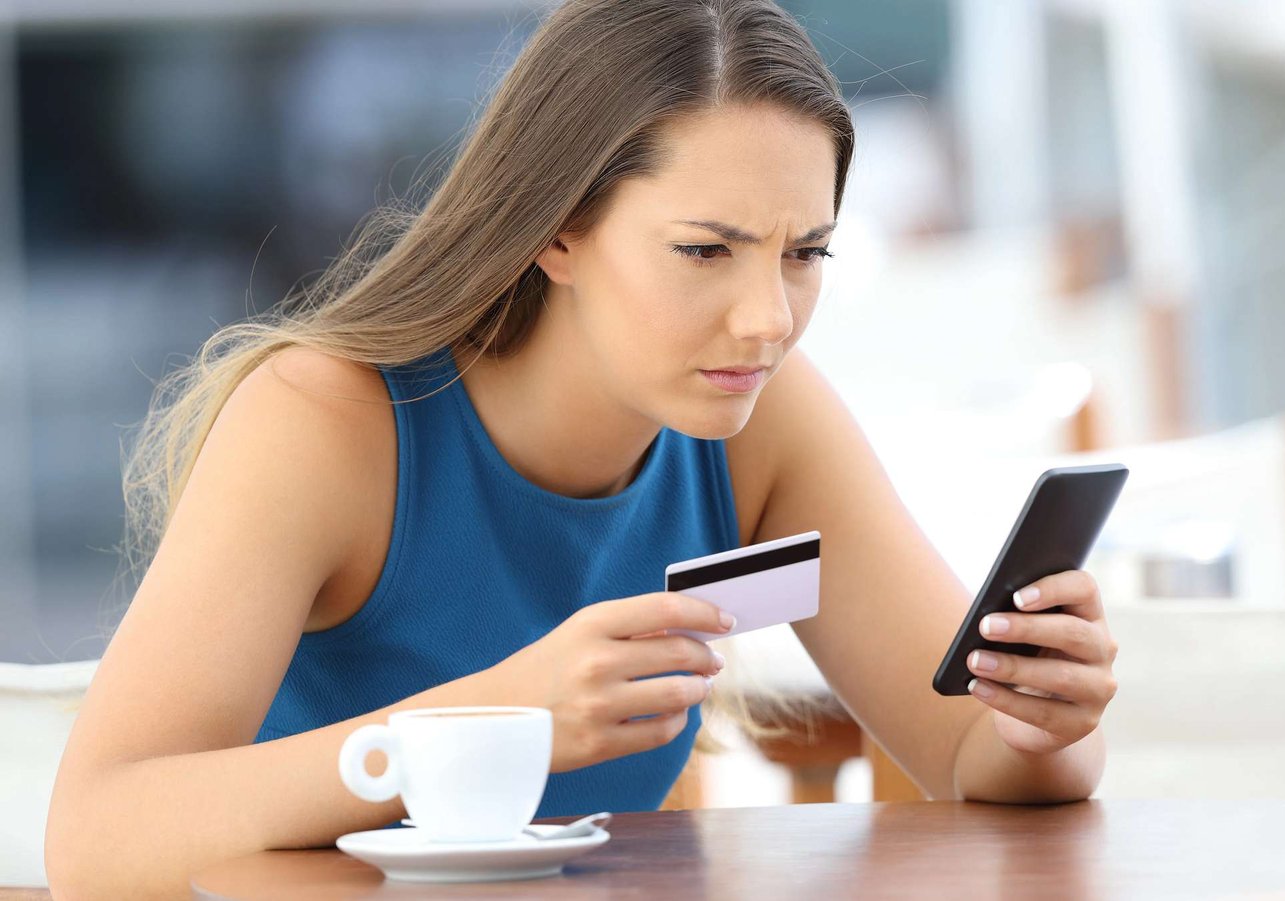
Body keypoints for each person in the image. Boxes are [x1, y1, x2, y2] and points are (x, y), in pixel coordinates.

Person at [44, 0, 1119, 896]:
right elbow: (96, 839)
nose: (767, 319)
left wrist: (1043, 727)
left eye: (804, 252)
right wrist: (491, 720)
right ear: (556, 227)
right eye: (705, 251)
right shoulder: (323, 423)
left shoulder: (761, 422)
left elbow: (969, 759)